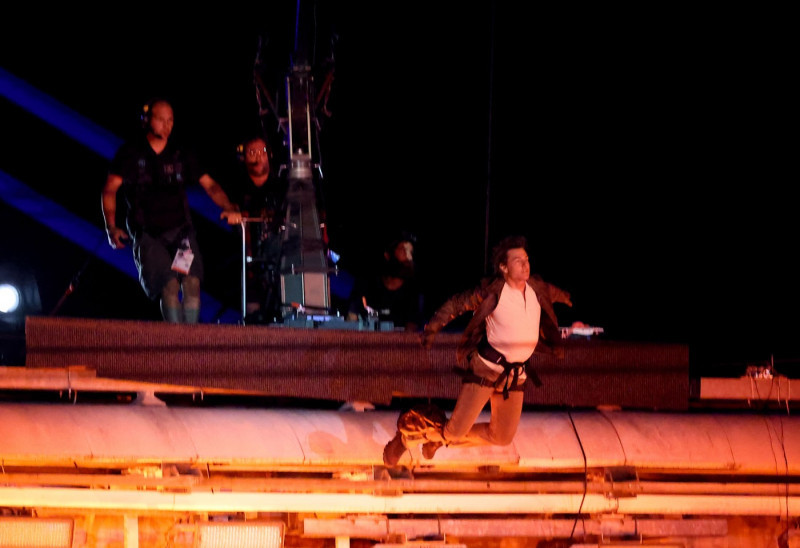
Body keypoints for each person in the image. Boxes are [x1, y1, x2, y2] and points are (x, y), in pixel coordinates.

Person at [382, 235, 573, 466]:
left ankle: (440, 438)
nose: (525, 264)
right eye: (518, 261)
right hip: (486, 369)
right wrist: (432, 329)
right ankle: (408, 436)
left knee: (502, 437)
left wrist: (570, 301)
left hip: (515, 375)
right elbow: (456, 305)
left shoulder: (537, 288)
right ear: (504, 267)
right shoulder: (492, 293)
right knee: (454, 431)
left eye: (526, 259)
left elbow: (558, 294)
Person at [101, 98, 242, 324]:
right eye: (160, 120)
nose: (167, 126)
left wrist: (228, 206)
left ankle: (191, 341)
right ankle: (176, 342)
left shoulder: (180, 153)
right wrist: (111, 226)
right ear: (147, 120)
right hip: (149, 235)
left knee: (192, 282)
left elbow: (210, 185)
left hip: (180, 234)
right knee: (169, 284)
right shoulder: (130, 153)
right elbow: (109, 190)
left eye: (171, 120)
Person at [230, 135, 287, 324]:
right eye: (251, 152)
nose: (257, 157)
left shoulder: (282, 185)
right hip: (247, 256)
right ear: (243, 157)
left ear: (269, 155)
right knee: (253, 314)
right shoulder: (237, 186)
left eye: (262, 152)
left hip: (280, 259)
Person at [346, 232, 423, 331]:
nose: (409, 257)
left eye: (410, 251)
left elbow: (411, 334)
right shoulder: (367, 284)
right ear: (387, 255)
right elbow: (351, 321)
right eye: (403, 250)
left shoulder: (413, 292)